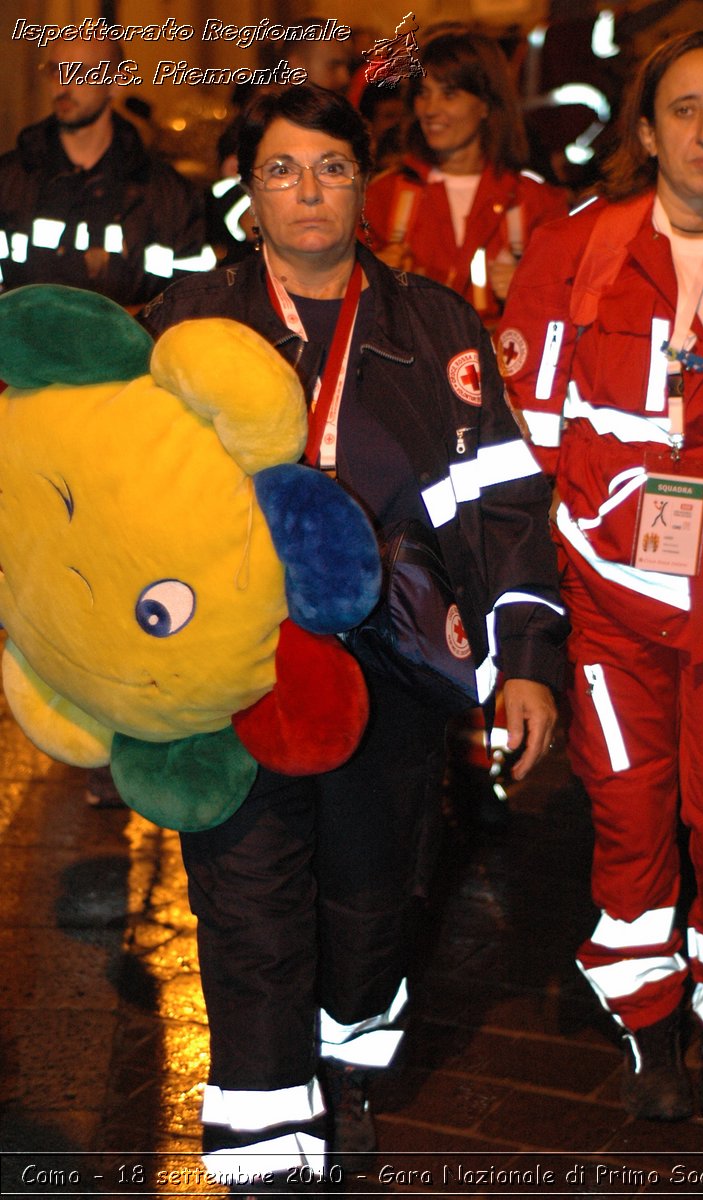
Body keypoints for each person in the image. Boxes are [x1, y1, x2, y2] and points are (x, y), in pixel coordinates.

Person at [142, 84, 567, 1193]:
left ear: (364, 181)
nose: (308, 189)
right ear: (249, 190)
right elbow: (129, 497)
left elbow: (505, 505)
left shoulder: (434, 328)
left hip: (390, 669)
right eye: (282, 169)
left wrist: (523, 664)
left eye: (330, 165)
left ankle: (345, 1057)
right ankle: (271, 1146)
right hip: (233, 667)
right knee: (248, 906)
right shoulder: (190, 325)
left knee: (372, 900)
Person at [499, 30, 703, 1167]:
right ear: (645, 128)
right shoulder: (575, 253)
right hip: (614, 604)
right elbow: (526, 443)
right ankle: (650, 1027)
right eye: (686, 110)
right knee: (629, 819)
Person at [363, 30, 567, 328]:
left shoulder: (535, 202)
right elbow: (335, 296)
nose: (431, 110)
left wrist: (529, 289)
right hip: (408, 368)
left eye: (449, 94)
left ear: (486, 104)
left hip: (498, 368)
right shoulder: (383, 196)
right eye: (423, 93)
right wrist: (371, 275)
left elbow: (570, 309)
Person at [0, 35, 210, 308]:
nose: (62, 86)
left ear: (117, 83)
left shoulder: (168, 194)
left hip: (134, 348)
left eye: (79, 72)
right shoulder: (10, 181)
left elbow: (192, 301)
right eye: (55, 71)